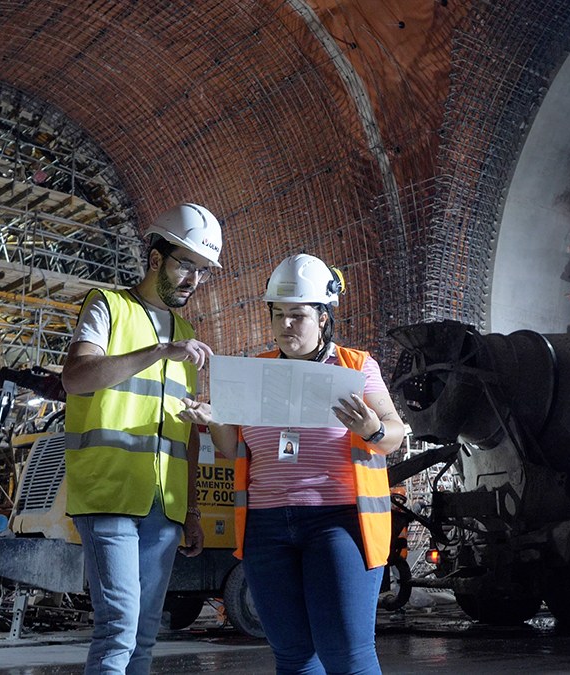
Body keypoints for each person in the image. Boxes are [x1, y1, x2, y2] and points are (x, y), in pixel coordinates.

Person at [179, 253, 404, 674]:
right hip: (266, 527)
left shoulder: (355, 367)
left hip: (337, 523)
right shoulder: (256, 372)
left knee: (345, 654)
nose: (285, 325)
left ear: (323, 317)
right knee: (293, 656)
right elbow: (232, 449)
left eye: (296, 315)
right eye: (277, 314)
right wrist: (216, 420)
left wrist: (372, 427)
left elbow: (393, 436)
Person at [62, 203, 224, 674]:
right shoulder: (107, 307)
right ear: (155, 259)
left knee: (146, 635)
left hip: (164, 506)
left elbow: (186, 434)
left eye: (202, 271)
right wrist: (157, 351)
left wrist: (192, 509)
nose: (193, 279)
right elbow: (75, 378)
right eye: (185, 264)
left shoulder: (189, 334)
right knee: (119, 627)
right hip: (110, 493)